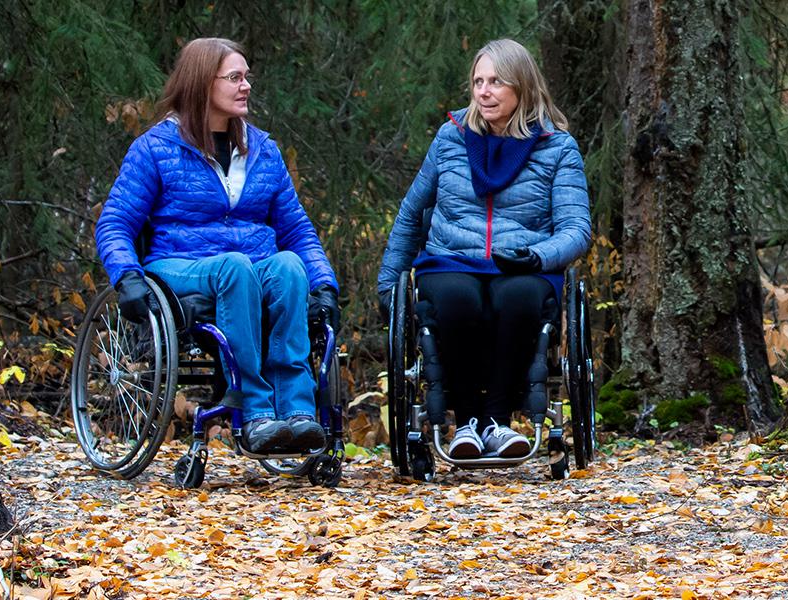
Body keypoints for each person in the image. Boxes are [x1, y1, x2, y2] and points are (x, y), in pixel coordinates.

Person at [95, 38, 340, 455]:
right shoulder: (156, 148)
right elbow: (115, 222)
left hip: (249, 266)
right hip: (179, 264)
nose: (246, 86)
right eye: (235, 78)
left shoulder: (263, 150)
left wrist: (323, 283)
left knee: (288, 267)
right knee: (235, 266)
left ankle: (298, 413)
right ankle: (255, 410)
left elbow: (296, 228)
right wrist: (126, 276)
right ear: (201, 84)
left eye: (247, 77)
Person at [377, 38, 589, 460]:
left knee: (520, 299)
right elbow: (411, 211)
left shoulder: (556, 146)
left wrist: (539, 256)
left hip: (522, 263)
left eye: (496, 82)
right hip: (451, 259)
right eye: (478, 81)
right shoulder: (450, 138)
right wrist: (389, 285)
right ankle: (467, 422)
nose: (484, 91)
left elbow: (576, 228)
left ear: (522, 87)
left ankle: (497, 421)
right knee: (456, 301)